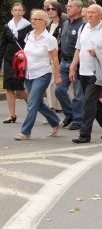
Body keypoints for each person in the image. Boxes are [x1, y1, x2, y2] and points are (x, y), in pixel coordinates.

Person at [68, 4, 102, 143]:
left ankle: (84, 135)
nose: (89, 15)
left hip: (97, 73)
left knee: (88, 103)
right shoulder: (84, 28)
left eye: (93, 13)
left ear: (100, 15)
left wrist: (98, 52)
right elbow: (78, 49)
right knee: (92, 102)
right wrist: (73, 67)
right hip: (83, 71)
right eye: (88, 12)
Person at [13, 9, 63, 140]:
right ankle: (55, 122)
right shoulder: (29, 35)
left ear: (44, 22)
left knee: (32, 102)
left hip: (43, 74)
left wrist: (57, 76)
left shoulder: (49, 39)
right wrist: (21, 56)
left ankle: (25, 131)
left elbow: (55, 59)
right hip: (29, 74)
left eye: (37, 19)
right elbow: (26, 52)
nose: (33, 21)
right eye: (32, 19)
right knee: (38, 103)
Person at [55, 0, 86, 130]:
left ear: (79, 9)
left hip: (78, 63)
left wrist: (75, 63)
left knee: (79, 94)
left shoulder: (83, 26)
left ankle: (78, 120)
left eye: (71, 6)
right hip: (64, 61)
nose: (68, 8)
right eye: (67, 6)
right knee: (59, 90)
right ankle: (69, 114)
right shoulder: (66, 23)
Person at [0, 3, 31, 124]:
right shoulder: (7, 26)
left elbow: (30, 43)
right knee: (9, 87)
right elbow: (3, 45)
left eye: (20, 10)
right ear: (12, 11)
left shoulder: (28, 26)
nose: (17, 12)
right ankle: (11, 115)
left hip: (21, 59)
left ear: (23, 12)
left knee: (19, 87)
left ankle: (33, 107)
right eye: (15, 10)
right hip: (8, 59)